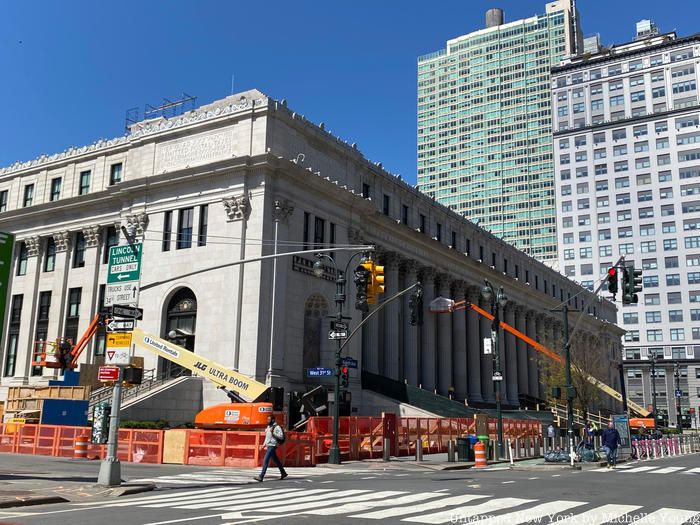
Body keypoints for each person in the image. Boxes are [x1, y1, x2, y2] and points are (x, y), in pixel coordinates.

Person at [254, 415, 288, 482]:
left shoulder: (276, 427)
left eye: (269, 419)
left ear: (272, 420)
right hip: (269, 445)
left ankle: (261, 476)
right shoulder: (269, 427)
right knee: (276, 460)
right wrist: (263, 445)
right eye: (267, 419)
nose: (267, 421)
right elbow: (267, 437)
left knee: (265, 460)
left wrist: (273, 433)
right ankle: (283, 473)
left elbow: (281, 436)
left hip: (273, 445)